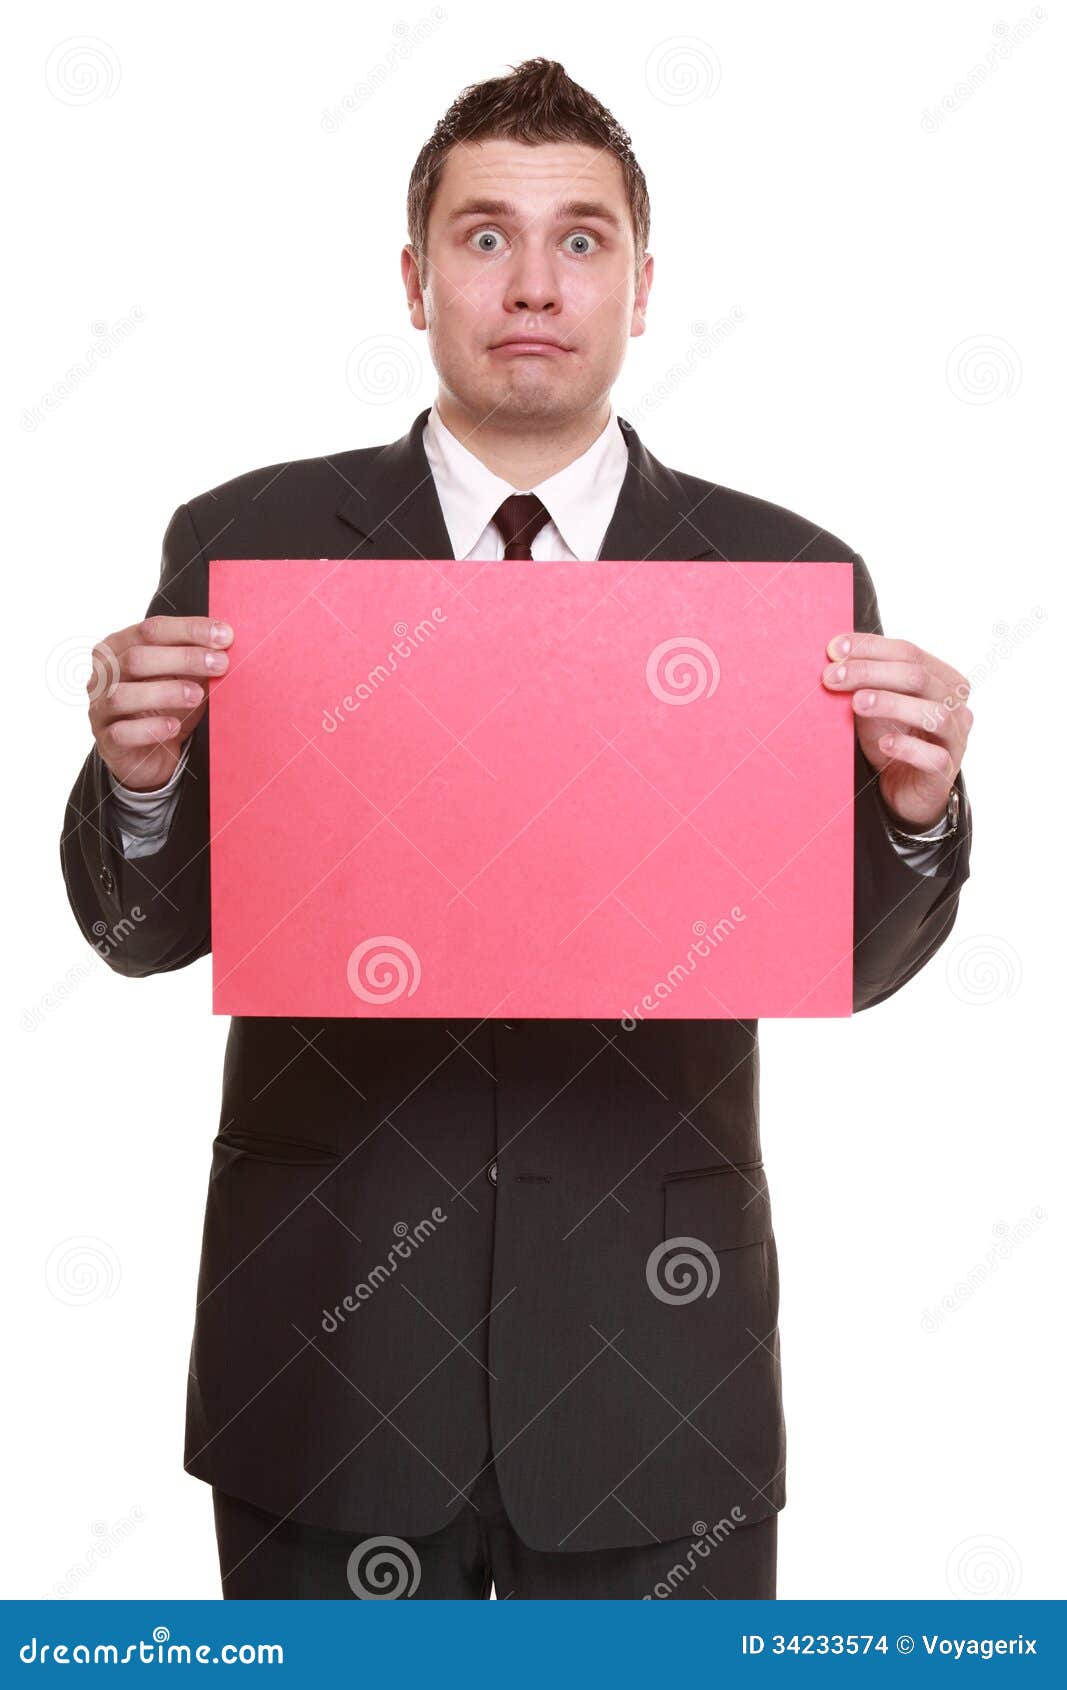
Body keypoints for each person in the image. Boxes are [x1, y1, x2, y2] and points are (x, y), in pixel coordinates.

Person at [60, 57, 973, 1600]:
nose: (533, 281)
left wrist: (914, 811)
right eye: (485, 237)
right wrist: (140, 778)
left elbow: (857, 964)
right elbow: (148, 930)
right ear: (416, 282)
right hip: (333, 1364)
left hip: (657, 1378)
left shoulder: (778, 581)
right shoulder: (249, 542)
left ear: (642, 283)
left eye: (582, 239)